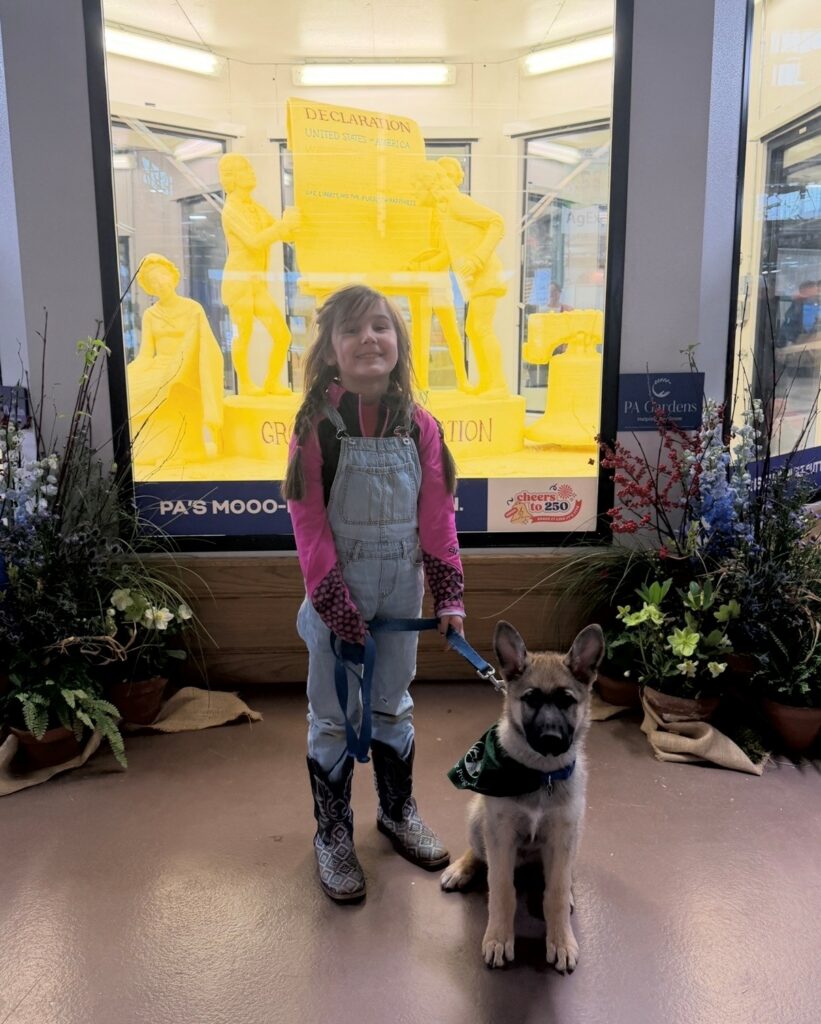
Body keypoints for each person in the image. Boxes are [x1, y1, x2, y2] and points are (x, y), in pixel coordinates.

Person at [282, 284, 465, 903]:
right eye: (353, 330)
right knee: (332, 717)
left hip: (399, 595)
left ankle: (396, 811)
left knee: (392, 704)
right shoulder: (317, 428)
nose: (369, 339)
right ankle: (333, 833)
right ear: (331, 352)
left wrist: (448, 597)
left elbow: (438, 518)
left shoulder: (422, 427)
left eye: (381, 327)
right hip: (338, 593)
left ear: (399, 343)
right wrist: (333, 600)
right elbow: (308, 523)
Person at [127, 253, 224, 467]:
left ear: (172, 276)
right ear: (150, 288)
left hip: (187, 367)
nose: (159, 283)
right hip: (160, 367)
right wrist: (130, 372)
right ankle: (148, 448)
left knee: (170, 385)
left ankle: (179, 450)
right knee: (133, 386)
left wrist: (176, 366)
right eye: (153, 281)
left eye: (161, 276)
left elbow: (203, 345)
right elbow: (145, 353)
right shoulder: (151, 315)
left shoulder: (192, 308)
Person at [219, 153, 299, 396]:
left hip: (256, 284)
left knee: (282, 335)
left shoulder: (256, 208)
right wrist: (281, 227)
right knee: (243, 334)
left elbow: (281, 233)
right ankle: (245, 383)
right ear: (232, 177)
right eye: (244, 169)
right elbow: (255, 242)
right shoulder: (231, 209)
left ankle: (272, 382)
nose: (251, 172)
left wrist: (293, 223)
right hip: (239, 282)